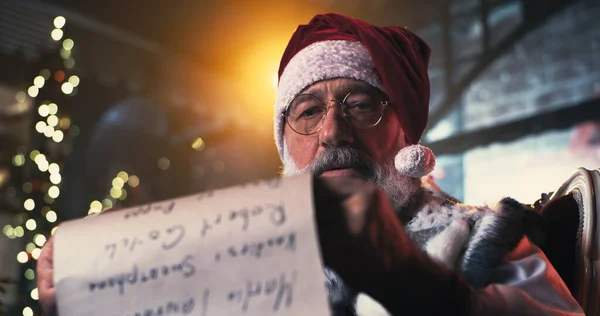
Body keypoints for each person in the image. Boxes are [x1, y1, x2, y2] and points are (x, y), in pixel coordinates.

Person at [38, 13, 584, 315]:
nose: (331, 133)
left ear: (405, 131)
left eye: (361, 104)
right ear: (285, 148)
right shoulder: (234, 258)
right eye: (306, 111)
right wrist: (90, 276)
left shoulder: (484, 238)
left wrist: (415, 282)